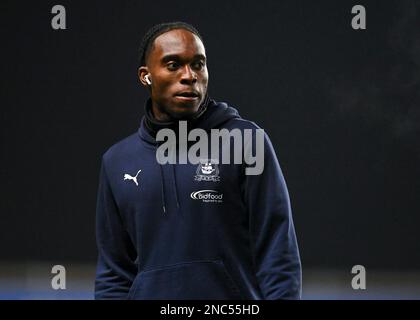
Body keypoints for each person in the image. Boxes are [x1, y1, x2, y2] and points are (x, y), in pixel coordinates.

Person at [94, 21, 302, 300]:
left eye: (198, 64)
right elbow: (113, 273)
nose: (189, 75)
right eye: (173, 65)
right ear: (146, 76)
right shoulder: (117, 161)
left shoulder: (246, 142)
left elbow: (278, 254)